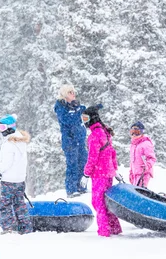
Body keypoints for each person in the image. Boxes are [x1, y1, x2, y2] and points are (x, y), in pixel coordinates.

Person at [79, 105, 123, 237]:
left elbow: (92, 157)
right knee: (107, 201)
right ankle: (114, 228)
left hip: (99, 174)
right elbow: (112, 153)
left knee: (98, 202)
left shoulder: (94, 136)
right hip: (108, 172)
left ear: (92, 118)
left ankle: (104, 231)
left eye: (85, 118)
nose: (84, 121)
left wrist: (86, 174)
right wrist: (114, 170)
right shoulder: (105, 132)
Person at [0, 114, 33, 235]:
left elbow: (7, 162)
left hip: (9, 181)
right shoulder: (21, 143)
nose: (1, 130)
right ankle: (25, 227)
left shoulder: (9, 144)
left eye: (3, 127)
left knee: (5, 205)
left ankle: (8, 228)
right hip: (19, 180)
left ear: (10, 127)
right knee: (19, 204)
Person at [54, 84, 87, 197]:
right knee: (72, 164)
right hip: (70, 141)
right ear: (64, 95)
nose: (73, 94)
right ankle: (71, 189)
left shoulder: (77, 106)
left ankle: (81, 186)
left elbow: (85, 118)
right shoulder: (61, 107)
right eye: (70, 92)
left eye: (73, 92)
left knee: (83, 162)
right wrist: (78, 110)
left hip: (80, 139)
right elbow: (68, 120)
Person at [129, 121, 157, 188]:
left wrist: (147, 166)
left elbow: (152, 158)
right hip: (135, 174)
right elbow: (132, 161)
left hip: (143, 173)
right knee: (135, 191)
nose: (134, 134)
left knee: (140, 191)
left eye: (136, 132)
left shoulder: (146, 144)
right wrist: (131, 172)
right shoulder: (133, 145)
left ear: (141, 132)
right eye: (132, 132)